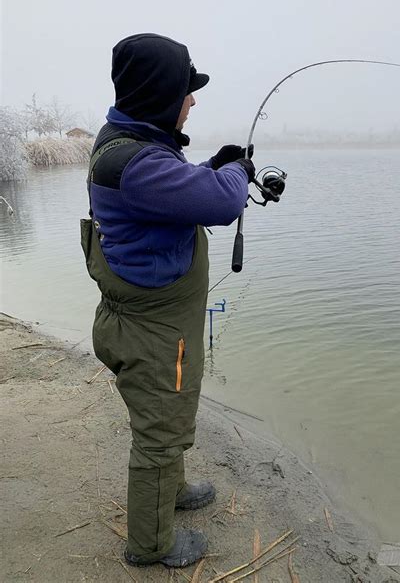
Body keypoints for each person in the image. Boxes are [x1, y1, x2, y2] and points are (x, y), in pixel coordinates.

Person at [80, 33, 255, 568]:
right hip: (152, 331)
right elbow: (222, 202)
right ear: (161, 95)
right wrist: (235, 172)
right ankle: (151, 545)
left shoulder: (125, 145)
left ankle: (172, 491)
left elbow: (177, 188)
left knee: (168, 413)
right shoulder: (136, 164)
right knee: (159, 431)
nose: (194, 100)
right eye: (187, 90)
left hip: (151, 321)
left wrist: (213, 166)